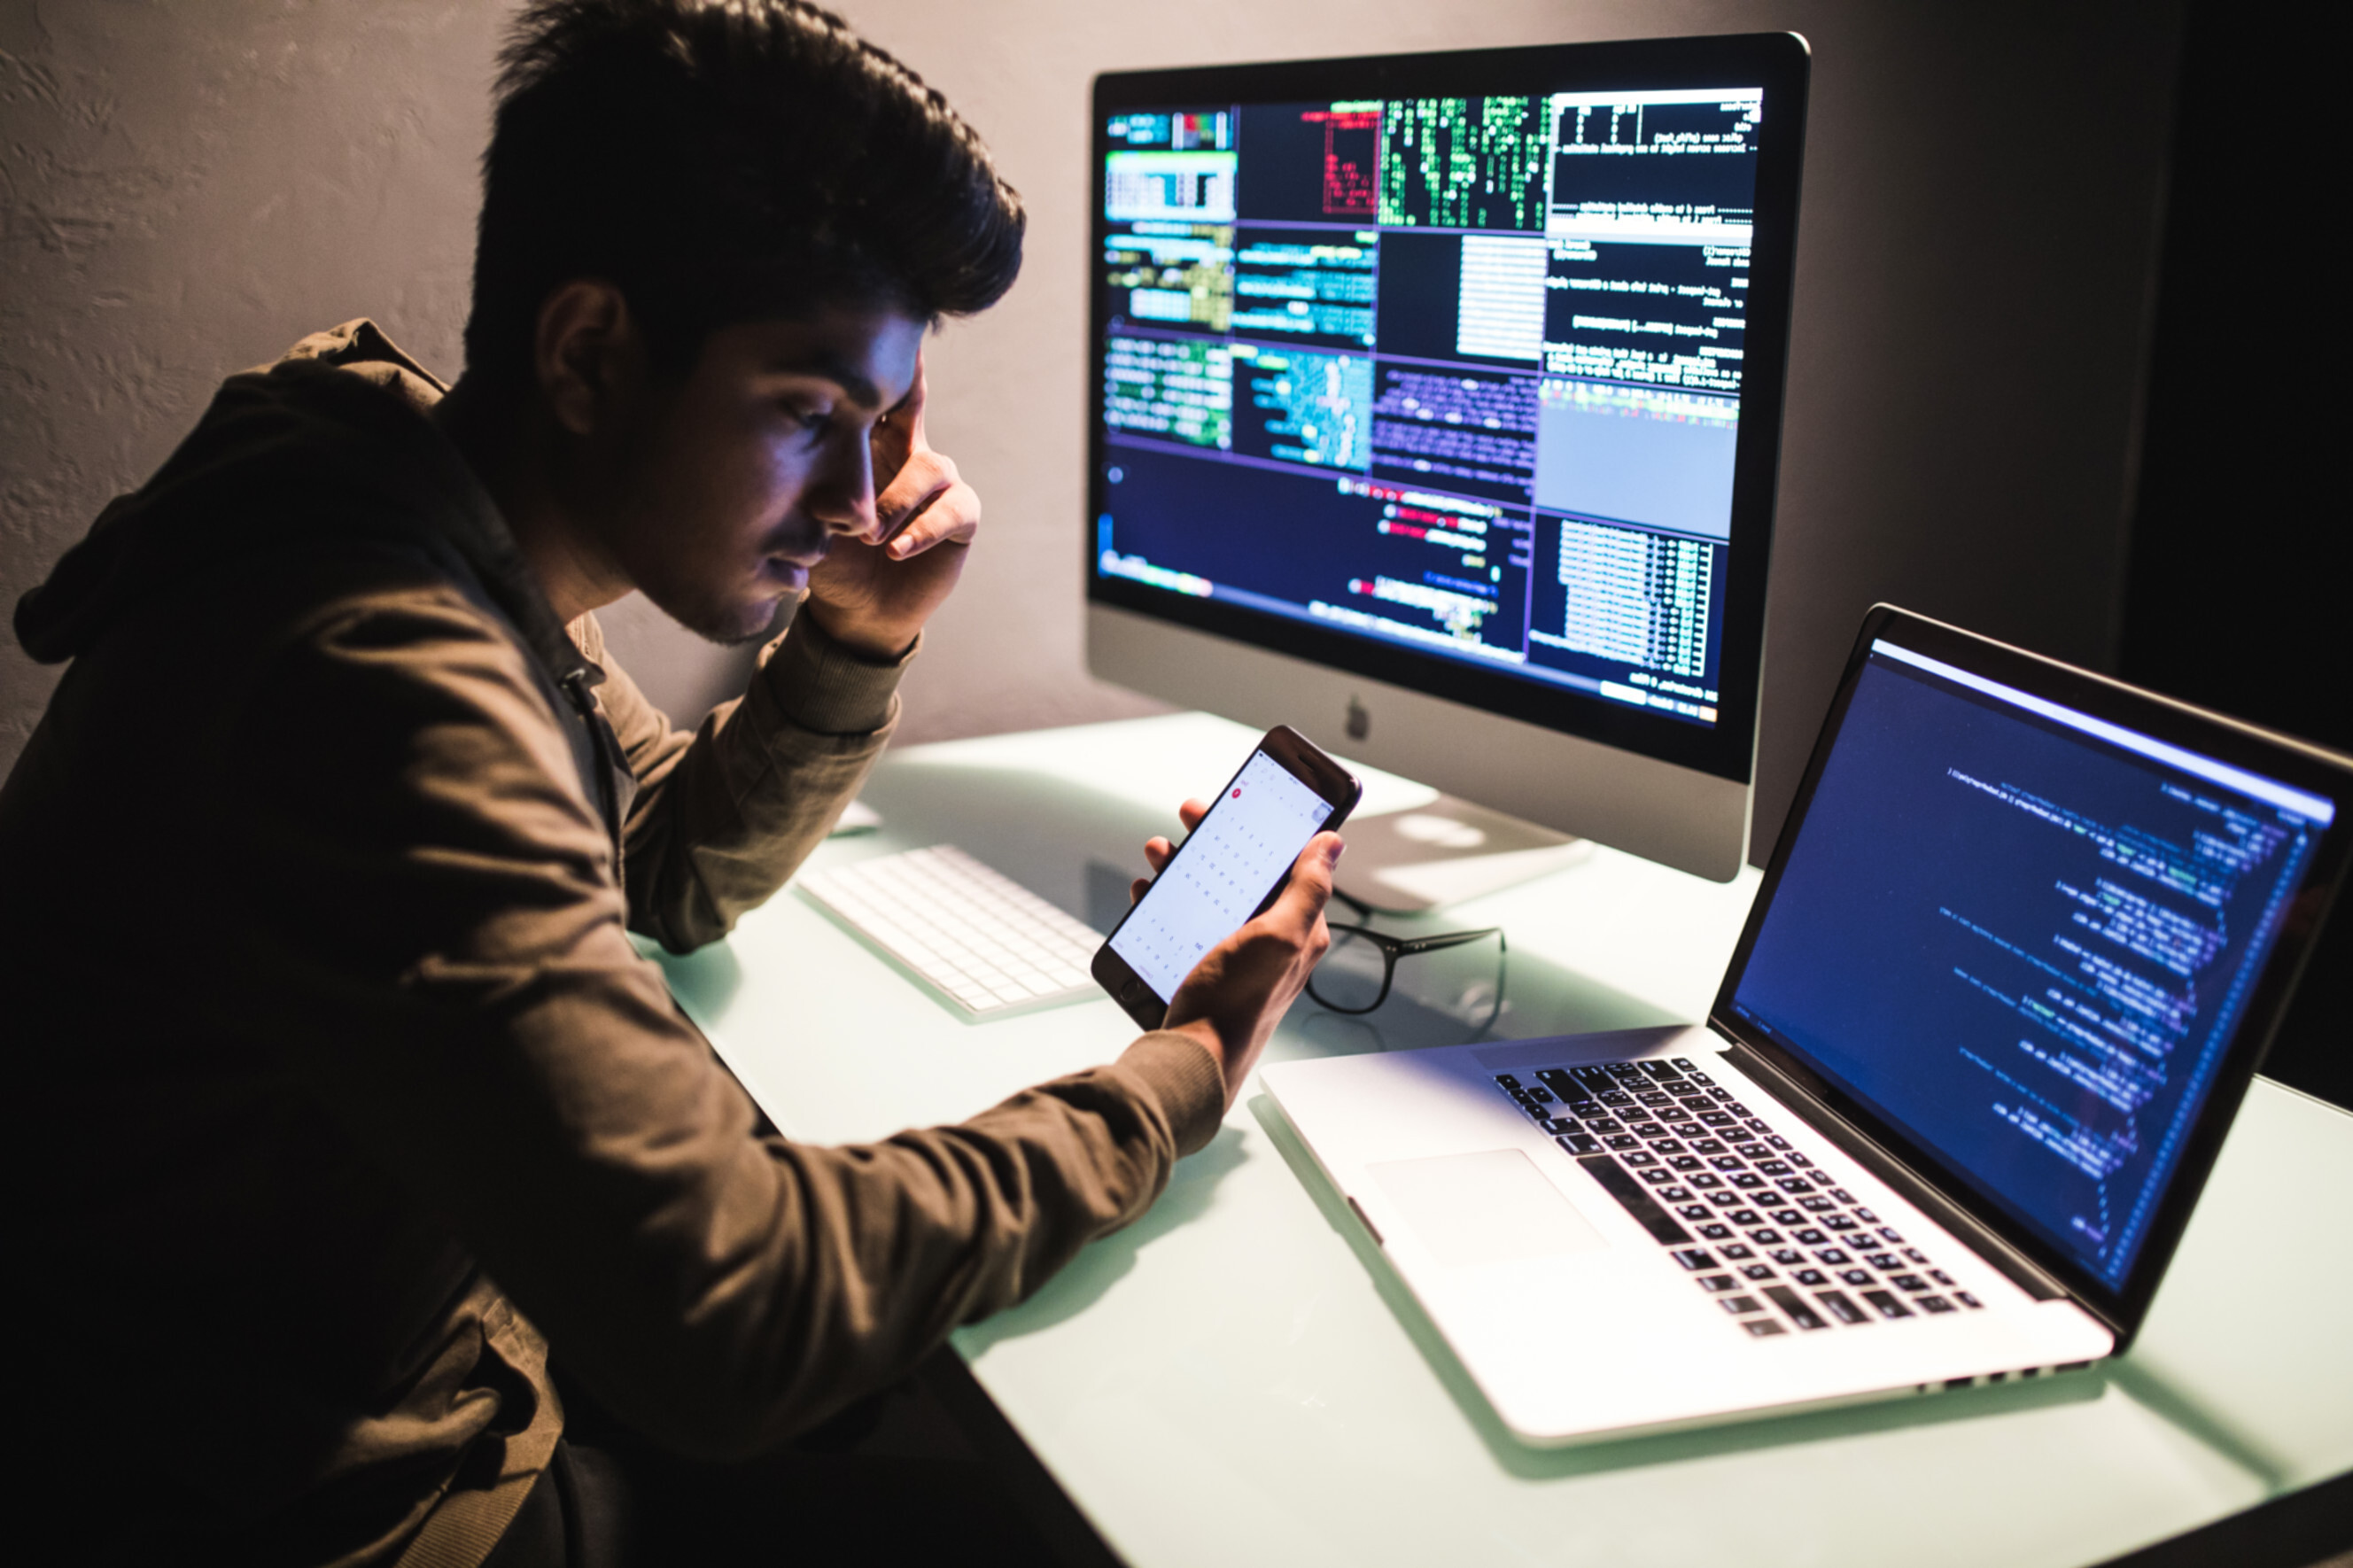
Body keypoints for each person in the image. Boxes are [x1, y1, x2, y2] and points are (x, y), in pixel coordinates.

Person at [0, 2, 1337, 1563]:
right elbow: (732, 1314)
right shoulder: (377, 672)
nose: (855, 502)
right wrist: (1171, 1082)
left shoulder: (411, 496)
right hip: (321, 1504)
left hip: (394, 1368)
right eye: (807, 417)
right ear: (587, 353)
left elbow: (670, 863)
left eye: (877, 428)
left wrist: (848, 636)